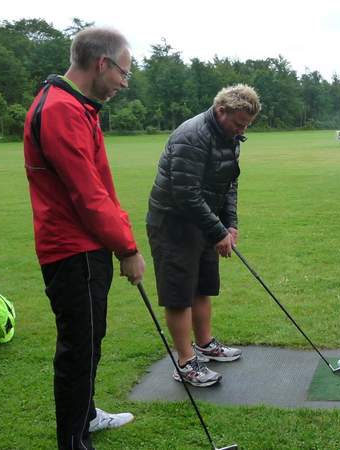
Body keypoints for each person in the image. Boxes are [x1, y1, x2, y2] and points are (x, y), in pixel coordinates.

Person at [23, 27, 146, 449]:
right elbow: (87, 195)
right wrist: (127, 248)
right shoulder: (61, 109)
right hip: (73, 250)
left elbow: (99, 187)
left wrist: (121, 237)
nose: (123, 84)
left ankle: (87, 415)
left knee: (90, 340)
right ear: (102, 63)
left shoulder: (76, 106)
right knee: (79, 349)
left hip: (86, 247)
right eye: (123, 74)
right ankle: (74, 441)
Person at [146, 84, 260, 386]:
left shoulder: (230, 136)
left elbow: (229, 184)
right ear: (221, 111)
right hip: (173, 222)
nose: (241, 131)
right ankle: (185, 363)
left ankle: (205, 344)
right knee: (179, 294)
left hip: (203, 220)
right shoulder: (192, 136)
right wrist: (217, 230)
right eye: (238, 123)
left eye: (246, 126)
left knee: (203, 286)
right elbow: (186, 193)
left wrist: (230, 224)